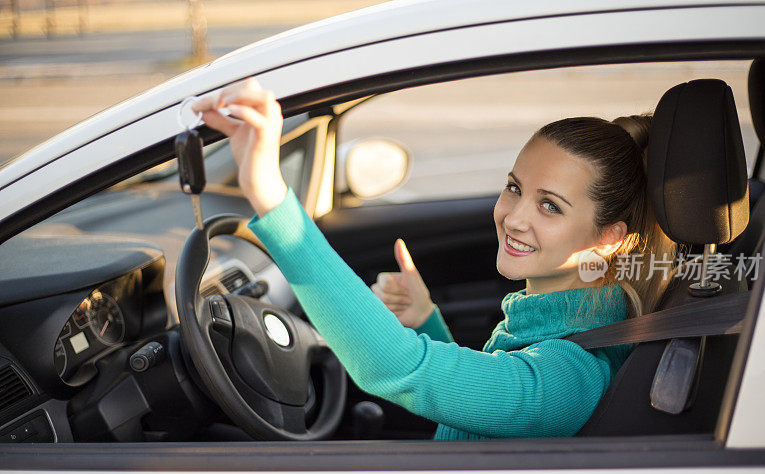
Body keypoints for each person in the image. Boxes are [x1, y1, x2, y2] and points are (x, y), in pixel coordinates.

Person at [193, 78, 677, 440]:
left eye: (550, 206)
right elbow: (481, 402)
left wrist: (272, 201)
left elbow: (403, 370)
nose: (513, 218)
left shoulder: (569, 374)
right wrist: (426, 320)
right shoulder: (552, 327)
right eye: (514, 188)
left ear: (611, 239)